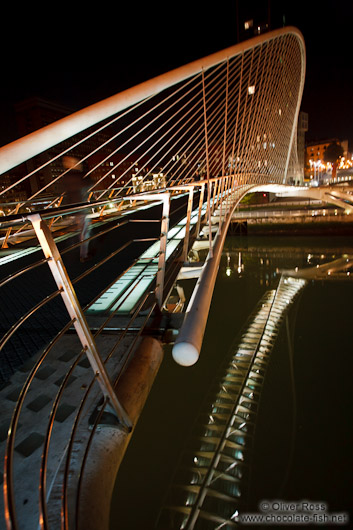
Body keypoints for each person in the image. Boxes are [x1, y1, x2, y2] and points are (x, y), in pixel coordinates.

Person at [61, 156, 93, 261]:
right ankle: (83, 255)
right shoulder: (79, 176)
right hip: (81, 209)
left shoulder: (66, 177)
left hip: (71, 209)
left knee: (76, 231)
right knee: (85, 232)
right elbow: (90, 183)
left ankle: (70, 252)